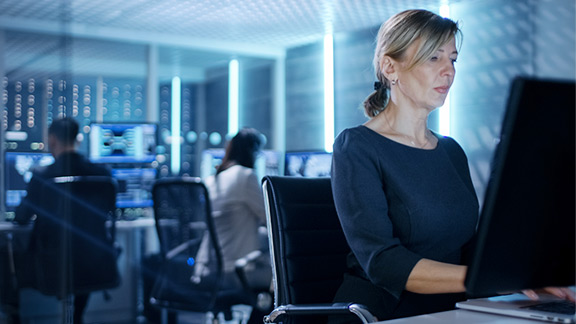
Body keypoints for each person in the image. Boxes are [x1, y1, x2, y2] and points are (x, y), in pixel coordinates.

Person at [330, 9, 573, 322]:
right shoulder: (357, 146)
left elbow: (468, 247)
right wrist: (486, 278)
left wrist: (525, 277)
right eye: (434, 58)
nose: (448, 71)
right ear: (391, 67)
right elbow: (383, 263)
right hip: (384, 312)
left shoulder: (451, 150)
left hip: (455, 309)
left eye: (453, 59)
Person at [12, 117, 112, 324]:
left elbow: (22, 218)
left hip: (53, 262)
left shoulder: (43, 175)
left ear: (52, 140)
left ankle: (14, 316)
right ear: (77, 139)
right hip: (93, 260)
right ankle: (77, 317)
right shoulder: (102, 174)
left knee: (8, 253)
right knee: (80, 261)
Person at [204, 127, 270, 324]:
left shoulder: (212, 179)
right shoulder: (245, 176)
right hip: (238, 268)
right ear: (253, 152)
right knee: (287, 279)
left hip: (213, 267)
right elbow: (270, 219)